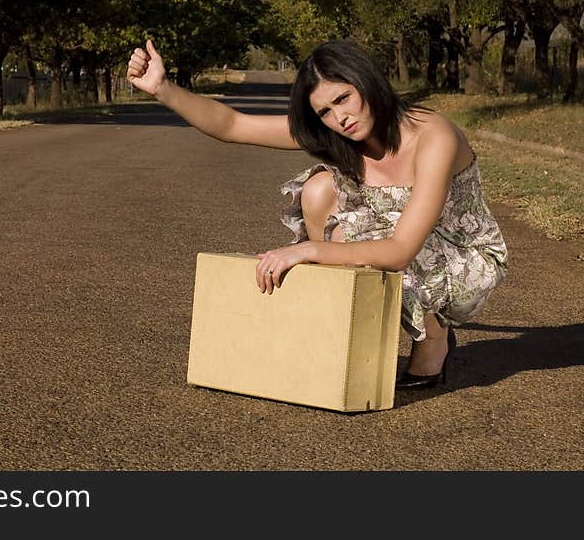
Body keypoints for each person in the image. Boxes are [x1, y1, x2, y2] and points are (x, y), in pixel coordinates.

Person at [127, 38, 508, 389]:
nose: (339, 117)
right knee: (319, 190)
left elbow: (401, 250)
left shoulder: (431, 136)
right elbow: (232, 124)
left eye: (343, 98)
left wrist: (307, 250)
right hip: (394, 237)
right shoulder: (338, 134)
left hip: (460, 254)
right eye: (325, 111)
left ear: (367, 81)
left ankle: (435, 341)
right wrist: (163, 87)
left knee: (372, 247)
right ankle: (350, 330)